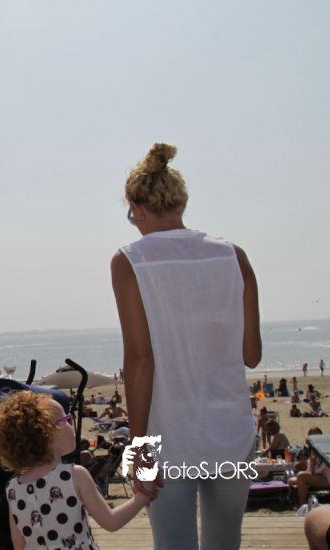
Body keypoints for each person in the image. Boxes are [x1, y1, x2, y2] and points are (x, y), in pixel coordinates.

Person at [111, 143, 261, 550]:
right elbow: (251, 355)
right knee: (225, 543)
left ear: (138, 209)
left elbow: (140, 361)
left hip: (167, 435)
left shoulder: (130, 261)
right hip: (230, 430)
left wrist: (138, 449)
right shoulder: (234, 255)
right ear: (181, 203)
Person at [0, 391, 152, 548]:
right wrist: (142, 497)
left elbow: (19, 545)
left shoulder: (13, 489)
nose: (71, 424)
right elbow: (111, 521)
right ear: (49, 432)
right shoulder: (73, 475)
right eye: (67, 419)